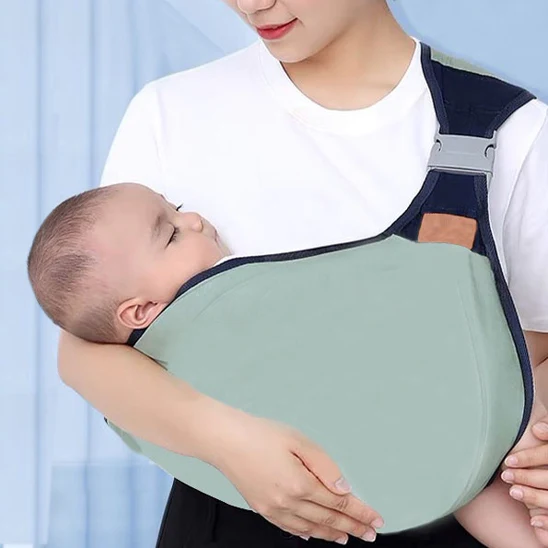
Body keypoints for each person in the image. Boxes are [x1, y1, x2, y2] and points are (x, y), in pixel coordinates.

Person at [56, 1, 548, 546]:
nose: (252, 4)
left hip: (447, 496)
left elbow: (534, 355)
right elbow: (87, 347)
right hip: (234, 513)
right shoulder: (174, 113)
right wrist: (229, 441)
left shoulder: (504, 127)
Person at [24, 181, 548, 546]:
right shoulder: (177, 330)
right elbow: (78, 350)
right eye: (172, 233)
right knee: (479, 473)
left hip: (409, 436)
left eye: (177, 208)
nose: (193, 218)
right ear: (140, 312)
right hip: (331, 475)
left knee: (493, 468)